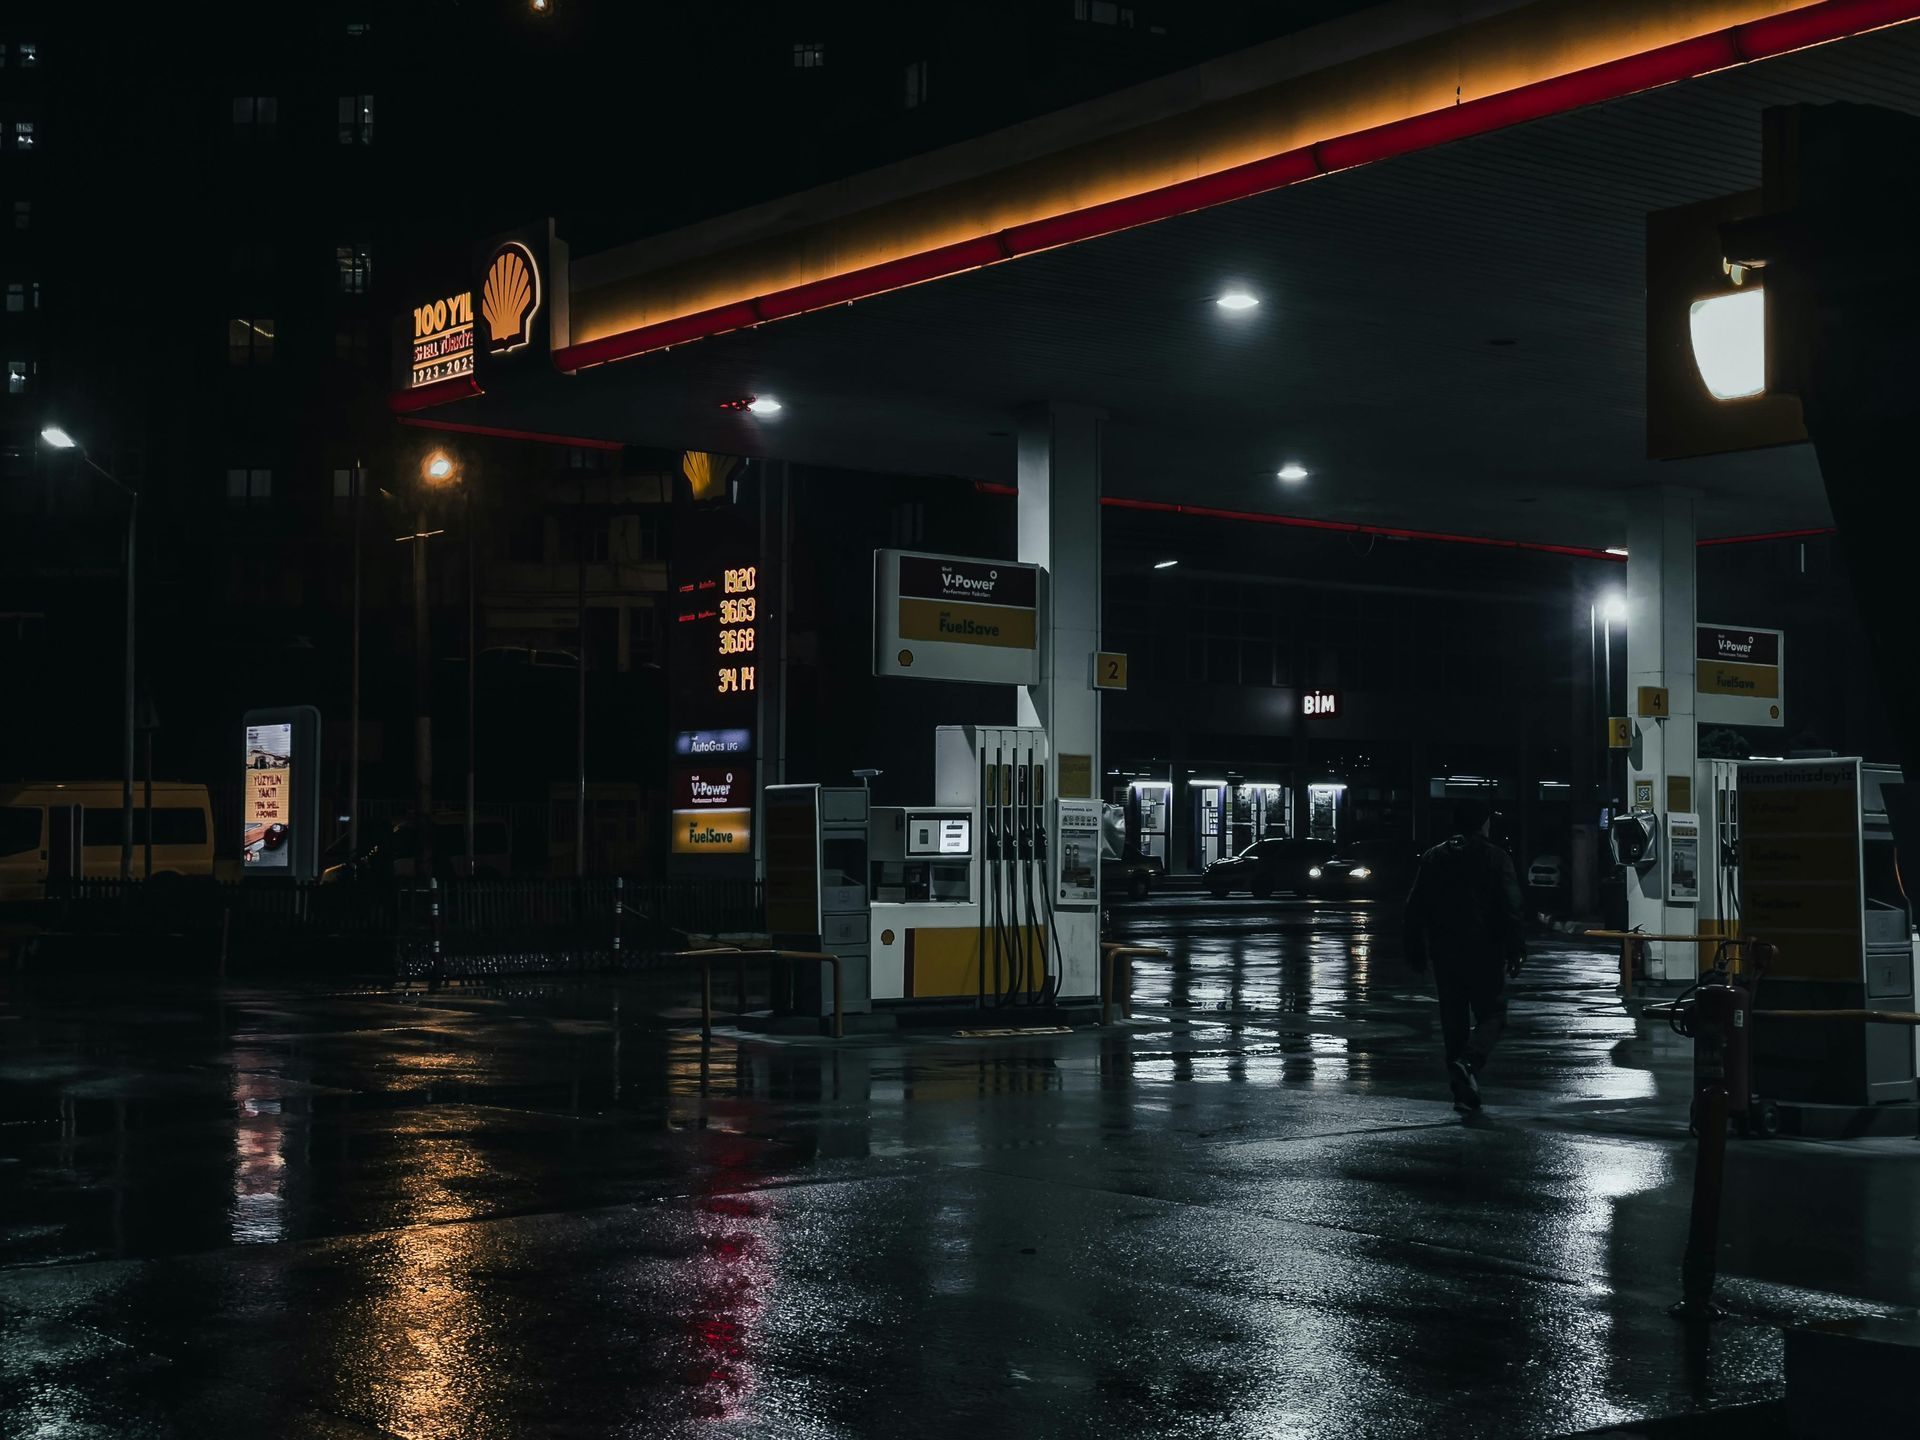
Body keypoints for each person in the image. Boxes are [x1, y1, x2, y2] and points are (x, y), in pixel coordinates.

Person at [1402, 799, 1527, 1111]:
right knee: (1493, 1015)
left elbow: (1414, 909)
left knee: (1453, 1022)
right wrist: (1516, 948)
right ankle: (1469, 1062)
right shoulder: (1496, 857)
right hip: (1485, 950)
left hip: (1445, 953)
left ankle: (1462, 1092)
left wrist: (1415, 948)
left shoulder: (1433, 857)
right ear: (1484, 824)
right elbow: (1512, 907)